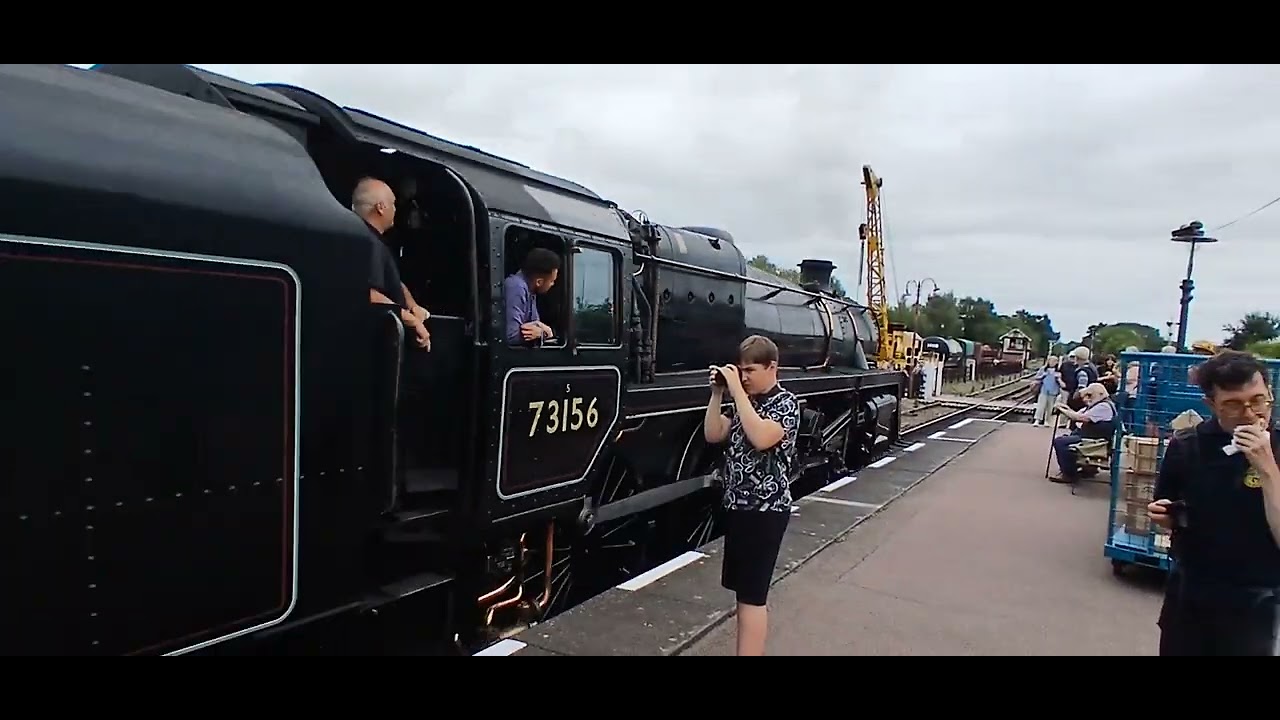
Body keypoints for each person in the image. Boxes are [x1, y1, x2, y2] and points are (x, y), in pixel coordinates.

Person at [1147, 350, 1280, 656]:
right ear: (1211, 405)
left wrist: (1267, 467)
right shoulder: (1187, 445)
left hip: (1255, 597)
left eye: (1258, 400)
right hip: (1191, 590)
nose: (1250, 414)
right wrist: (1166, 515)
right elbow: (1169, 507)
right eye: (1233, 405)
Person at [703, 335, 801, 656]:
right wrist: (718, 393)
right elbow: (714, 433)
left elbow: (761, 437)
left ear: (772, 367)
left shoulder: (786, 404)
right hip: (739, 508)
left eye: (750, 370)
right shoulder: (747, 402)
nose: (744, 377)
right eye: (740, 370)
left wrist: (737, 393)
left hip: (766, 511)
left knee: (753, 596)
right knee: (742, 595)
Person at [352, 177, 431, 350]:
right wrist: (412, 322)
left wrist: (413, 306)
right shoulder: (366, 242)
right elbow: (369, 293)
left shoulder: (376, 242)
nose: (396, 209)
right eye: (393, 204)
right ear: (381, 207)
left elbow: (394, 281)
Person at [1048, 382, 1117, 484]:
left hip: (1095, 440)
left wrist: (1062, 410)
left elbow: (1079, 418)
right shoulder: (1099, 404)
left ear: (1100, 394)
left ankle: (1069, 474)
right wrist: (1064, 408)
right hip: (1092, 436)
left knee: (1060, 442)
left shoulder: (1103, 407)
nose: (1086, 399)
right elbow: (1077, 414)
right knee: (1068, 438)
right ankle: (1087, 469)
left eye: (1090, 395)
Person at [503, 248, 559, 345]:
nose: (553, 284)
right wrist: (543, 333)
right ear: (539, 282)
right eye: (551, 281)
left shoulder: (531, 291)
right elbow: (512, 335)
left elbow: (535, 323)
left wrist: (540, 328)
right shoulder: (516, 287)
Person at [1031, 355, 1063, 427]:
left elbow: (1060, 381)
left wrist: (1058, 378)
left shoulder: (1058, 371)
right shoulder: (1043, 369)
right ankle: (1037, 420)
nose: (1052, 362)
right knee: (1041, 405)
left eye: (1054, 361)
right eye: (1051, 361)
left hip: (1053, 390)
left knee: (1050, 407)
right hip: (1044, 389)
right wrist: (1042, 376)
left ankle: (1047, 420)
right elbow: (1037, 377)